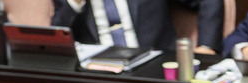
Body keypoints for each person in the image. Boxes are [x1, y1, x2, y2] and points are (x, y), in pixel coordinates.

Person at [51, 0, 223, 53]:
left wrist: (207, 46)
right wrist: (74, 2)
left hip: (151, 68)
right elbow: (56, 37)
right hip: (96, 75)